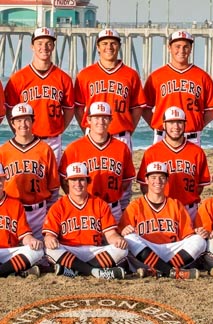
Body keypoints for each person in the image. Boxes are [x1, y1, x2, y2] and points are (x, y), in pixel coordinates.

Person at [73, 28, 146, 211]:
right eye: (104, 43)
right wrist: (89, 131)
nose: (109, 47)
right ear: (98, 47)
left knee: (123, 185)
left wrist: (128, 128)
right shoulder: (85, 74)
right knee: (91, 180)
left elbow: (137, 107)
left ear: (119, 46)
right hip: (92, 135)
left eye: (113, 43)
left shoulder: (130, 74)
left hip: (121, 135)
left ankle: (119, 221)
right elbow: (78, 107)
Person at [119, 161, 208, 279]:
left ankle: (158, 271)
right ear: (146, 180)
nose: (158, 181)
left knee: (199, 240)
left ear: (167, 180)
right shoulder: (135, 205)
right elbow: (121, 234)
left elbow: (187, 235)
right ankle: (171, 271)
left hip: (173, 253)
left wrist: (197, 234)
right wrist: (124, 231)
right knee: (129, 238)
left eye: (162, 177)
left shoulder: (176, 204)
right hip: (146, 253)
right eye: (153, 177)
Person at [43, 162, 128, 280]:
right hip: (69, 250)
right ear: (67, 182)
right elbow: (49, 235)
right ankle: (95, 271)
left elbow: (110, 234)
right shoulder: (58, 206)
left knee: (121, 249)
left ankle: (75, 270)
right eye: (73, 180)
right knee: (48, 249)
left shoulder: (99, 204)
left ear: (87, 181)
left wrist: (117, 239)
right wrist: (50, 239)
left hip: (95, 251)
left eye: (81, 179)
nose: (77, 184)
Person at [4, 27, 74, 163]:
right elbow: (9, 111)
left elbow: (69, 110)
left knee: (52, 182)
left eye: (48, 43)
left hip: (53, 141)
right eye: (40, 43)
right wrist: (20, 134)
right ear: (32, 46)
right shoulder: (18, 78)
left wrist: (57, 130)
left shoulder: (64, 78)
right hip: (27, 139)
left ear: (53, 46)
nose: (44, 47)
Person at [60, 101, 135, 222]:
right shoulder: (74, 148)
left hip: (113, 208)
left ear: (111, 120)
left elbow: (126, 180)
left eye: (105, 118)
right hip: (86, 208)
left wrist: (114, 195)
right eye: (96, 118)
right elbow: (64, 180)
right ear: (88, 120)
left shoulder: (122, 148)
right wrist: (78, 200)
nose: (101, 122)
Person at [142, 30, 213, 146]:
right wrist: (158, 125)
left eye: (186, 47)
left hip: (191, 137)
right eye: (177, 46)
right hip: (162, 135)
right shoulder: (156, 76)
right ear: (169, 48)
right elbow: (145, 108)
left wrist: (196, 124)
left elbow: (212, 111)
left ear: (191, 49)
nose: (181, 51)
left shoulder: (202, 76)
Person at [137, 107, 211, 222]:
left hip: (189, 209)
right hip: (162, 209)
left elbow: (200, 186)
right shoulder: (151, 153)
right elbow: (144, 186)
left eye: (179, 122)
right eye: (171, 122)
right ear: (164, 125)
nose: (176, 127)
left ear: (185, 124)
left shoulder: (197, 152)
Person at [0, 103, 60, 240]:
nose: (23, 124)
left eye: (27, 119)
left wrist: (47, 210)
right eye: (19, 120)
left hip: (38, 212)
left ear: (33, 121)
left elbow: (54, 187)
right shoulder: (3, 151)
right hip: (12, 212)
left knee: (42, 256)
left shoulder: (45, 149)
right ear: (13, 123)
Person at [0, 162, 44, 278]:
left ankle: (7, 270)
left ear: (4, 180)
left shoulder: (15, 204)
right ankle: (14, 271)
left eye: (0, 179)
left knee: (37, 251)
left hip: (9, 253)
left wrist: (31, 240)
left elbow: (24, 235)